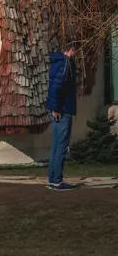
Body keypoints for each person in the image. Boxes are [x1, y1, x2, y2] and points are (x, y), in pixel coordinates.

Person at [46, 43, 80, 191]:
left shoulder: (57, 62)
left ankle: (52, 180)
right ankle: (58, 181)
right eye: (76, 51)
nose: (76, 54)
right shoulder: (66, 64)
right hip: (63, 110)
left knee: (55, 146)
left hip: (59, 109)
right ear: (71, 49)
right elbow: (57, 86)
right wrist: (56, 108)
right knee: (61, 146)